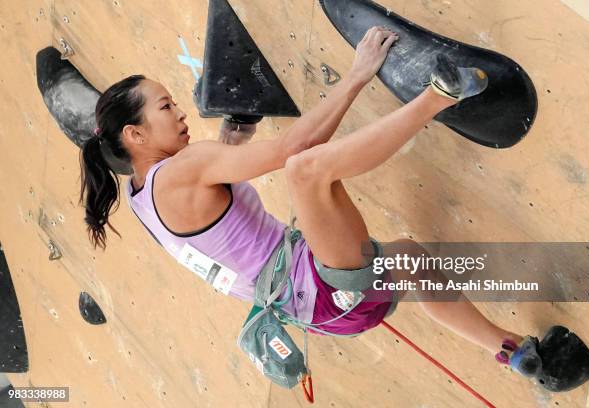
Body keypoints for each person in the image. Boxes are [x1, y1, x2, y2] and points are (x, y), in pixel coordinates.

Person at [79, 26, 540, 379]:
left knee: (407, 258)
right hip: (321, 290)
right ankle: (441, 94)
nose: (179, 112)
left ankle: (514, 350)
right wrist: (359, 73)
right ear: (135, 135)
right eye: (165, 107)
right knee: (306, 170)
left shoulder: (142, 197)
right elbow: (292, 149)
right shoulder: (183, 169)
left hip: (323, 313)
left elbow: (215, 221)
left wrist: (234, 140)